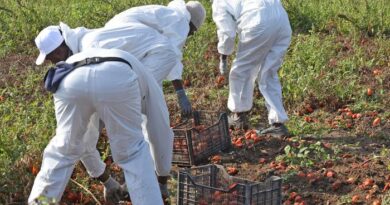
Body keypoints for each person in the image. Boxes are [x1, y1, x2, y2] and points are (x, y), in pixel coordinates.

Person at [33, 26, 174, 203]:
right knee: (133, 152)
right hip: (115, 76)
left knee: (63, 149)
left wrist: (105, 179)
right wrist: (162, 175)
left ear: (64, 45)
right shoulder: (140, 76)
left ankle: (41, 202)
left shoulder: (84, 51)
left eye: (55, 55)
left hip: (69, 80)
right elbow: (159, 129)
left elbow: (83, 141)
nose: (54, 60)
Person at [105, 0, 206, 115]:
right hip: (126, 38)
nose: (192, 34)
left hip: (112, 36)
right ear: (192, 23)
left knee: (147, 90)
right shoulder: (180, 21)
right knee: (144, 90)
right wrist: (180, 93)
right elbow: (171, 57)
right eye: (194, 30)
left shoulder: (169, 15)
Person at [211, 0, 292, 137]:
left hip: (257, 20)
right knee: (269, 73)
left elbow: (227, 32)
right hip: (281, 20)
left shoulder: (219, 2)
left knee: (241, 70)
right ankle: (278, 124)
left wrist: (223, 56)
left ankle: (238, 116)